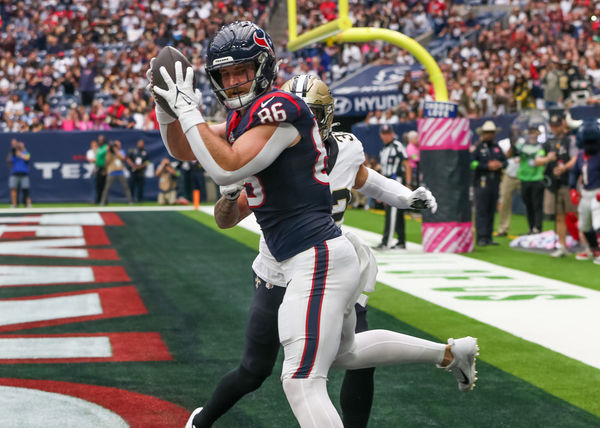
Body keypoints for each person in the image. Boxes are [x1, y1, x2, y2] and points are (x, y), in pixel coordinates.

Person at [149, 23, 478, 428]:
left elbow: (224, 166)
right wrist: (168, 110)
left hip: (314, 257)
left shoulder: (282, 109)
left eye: (242, 71)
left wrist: (187, 109)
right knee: (345, 353)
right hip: (307, 257)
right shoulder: (245, 118)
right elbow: (185, 148)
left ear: (264, 68)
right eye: (225, 74)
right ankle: (450, 354)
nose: (233, 82)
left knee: (302, 380)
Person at [543, 114, 578, 257]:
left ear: (562, 125)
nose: (555, 128)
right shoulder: (548, 142)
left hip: (569, 182)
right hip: (555, 183)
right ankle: (562, 246)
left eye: (557, 125)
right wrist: (547, 159)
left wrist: (565, 167)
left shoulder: (570, 139)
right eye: (552, 125)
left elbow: (576, 157)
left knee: (576, 214)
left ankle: (589, 244)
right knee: (559, 216)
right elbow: (537, 160)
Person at [511, 124, 555, 234]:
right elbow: (514, 149)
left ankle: (538, 228)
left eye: (534, 132)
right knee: (528, 204)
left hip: (537, 179)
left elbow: (539, 160)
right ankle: (531, 227)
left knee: (537, 205)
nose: (532, 134)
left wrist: (546, 159)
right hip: (524, 179)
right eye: (530, 132)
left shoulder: (541, 146)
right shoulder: (522, 145)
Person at [471, 120, 507, 246]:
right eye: (488, 133)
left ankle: (489, 236)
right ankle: (481, 237)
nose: (490, 135)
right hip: (482, 181)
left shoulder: (496, 148)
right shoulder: (478, 147)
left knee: (492, 209)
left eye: (492, 133)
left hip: (494, 181)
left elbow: (505, 161)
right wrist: (486, 166)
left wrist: (499, 165)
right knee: (482, 209)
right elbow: (472, 163)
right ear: (483, 134)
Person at [375, 124, 412, 249]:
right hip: (387, 181)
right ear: (380, 135)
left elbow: (407, 164)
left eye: (388, 133)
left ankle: (386, 242)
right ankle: (401, 241)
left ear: (392, 134)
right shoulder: (383, 150)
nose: (386, 136)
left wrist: (408, 183)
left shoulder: (397, 146)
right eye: (383, 134)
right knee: (397, 213)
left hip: (396, 181)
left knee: (392, 212)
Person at [570, 121, 600, 264]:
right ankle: (593, 249)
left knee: (598, 224)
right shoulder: (581, 155)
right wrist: (572, 189)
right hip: (586, 193)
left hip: (598, 193)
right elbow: (574, 172)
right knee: (584, 225)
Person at [99, 140, 133, 205]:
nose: (115, 147)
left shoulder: (120, 151)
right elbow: (107, 161)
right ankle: (103, 201)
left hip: (120, 172)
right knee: (107, 188)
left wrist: (117, 152)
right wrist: (109, 151)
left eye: (116, 146)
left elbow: (123, 158)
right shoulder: (108, 153)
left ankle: (130, 201)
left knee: (126, 187)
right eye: (114, 146)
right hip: (111, 172)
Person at [7, 139, 32, 208]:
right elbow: (9, 160)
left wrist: (20, 154)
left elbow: (27, 158)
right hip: (15, 174)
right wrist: (14, 150)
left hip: (24, 174)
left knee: (25, 189)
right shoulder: (13, 153)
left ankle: (27, 203)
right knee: (13, 189)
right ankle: (14, 204)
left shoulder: (26, 152)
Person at [95, 135, 108, 204]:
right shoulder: (99, 148)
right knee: (98, 185)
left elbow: (107, 159)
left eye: (101, 139)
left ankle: (104, 200)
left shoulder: (106, 147)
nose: (100, 141)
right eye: (99, 139)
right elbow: (97, 159)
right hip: (98, 167)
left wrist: (105, 169)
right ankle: (98, 199)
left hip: (103, 168)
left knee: (103, 185)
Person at [86, 140, 98, 204]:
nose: (95, 146)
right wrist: (98, 159)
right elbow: (91, 160)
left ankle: (100, 200)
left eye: (96, 145)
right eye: (93, 145)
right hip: (93, 170)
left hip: (100, 170)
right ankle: (94, 199)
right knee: (94, 186)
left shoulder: (99, 151)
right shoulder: (89, 152)